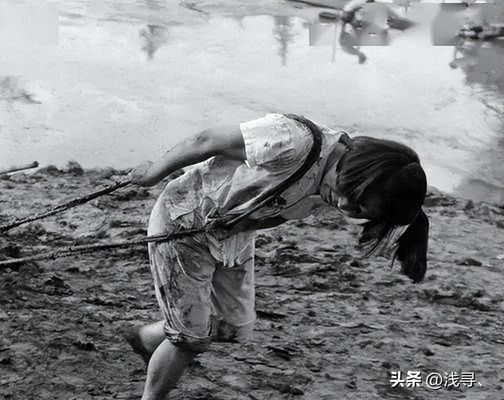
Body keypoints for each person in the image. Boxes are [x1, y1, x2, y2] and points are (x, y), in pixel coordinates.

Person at [127, 112, 429, 400]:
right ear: (359, 173)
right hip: (183, 221)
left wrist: (246, 223)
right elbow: (206, 140)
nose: (346, 208)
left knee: (234, 328)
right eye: (354, 201)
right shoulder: (291, 140)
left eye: (360, 213)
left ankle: (148, 339)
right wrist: (154, 174)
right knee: (190, 340)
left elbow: (283, 209)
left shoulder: (339, 185)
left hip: (230, 236)